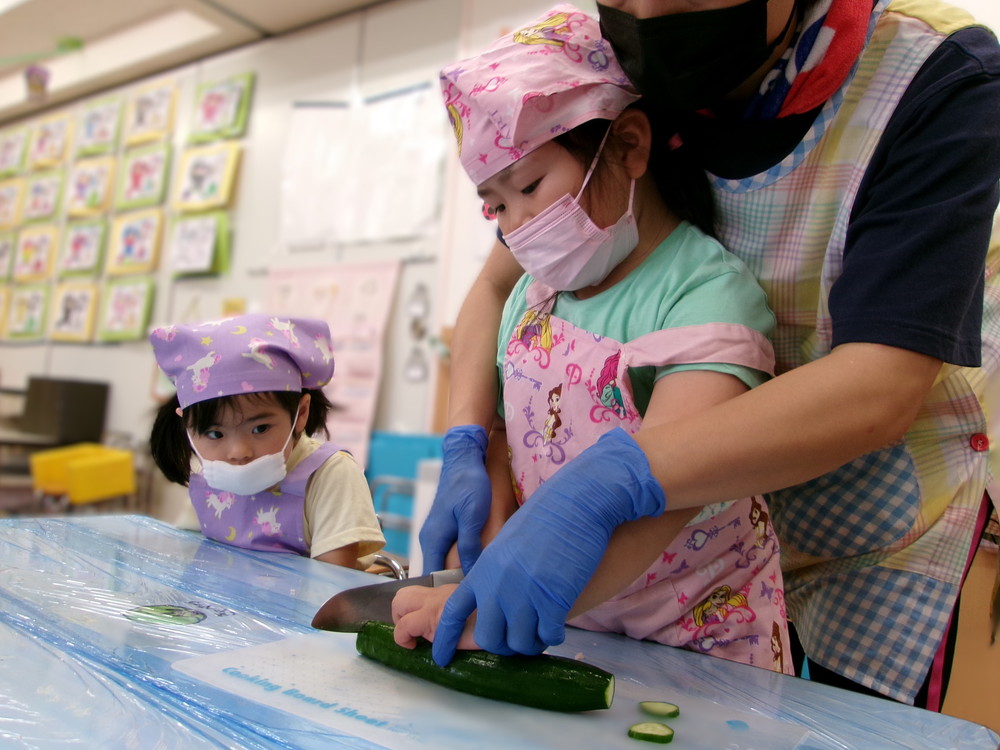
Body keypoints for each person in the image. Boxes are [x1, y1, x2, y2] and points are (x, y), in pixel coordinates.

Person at [420, 0, 1000, 710]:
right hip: (658, 569)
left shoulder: (934, 79)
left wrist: (600, 492)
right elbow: (497, 279)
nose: (647, 13)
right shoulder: (611, 68)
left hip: (871, 527)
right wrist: (473, 439)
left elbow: (877, 388)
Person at [394, 5, 791, 675]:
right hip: (577, 630)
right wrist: (479, 485)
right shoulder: (535, 291)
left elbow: (667, 501)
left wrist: (489, 603)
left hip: (703, 649)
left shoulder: (706, 295)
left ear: (630, 146)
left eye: (529, 187)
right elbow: (507, 436)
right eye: (495, 205)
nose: (516, 227)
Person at [149, 313, 385, 568]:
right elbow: (188, 558)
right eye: (215, 434)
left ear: (301, 413)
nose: (238, 452)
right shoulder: (205, 470)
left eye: (260, 428)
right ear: (187, 426)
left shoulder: (331, 475)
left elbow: (329, 590)